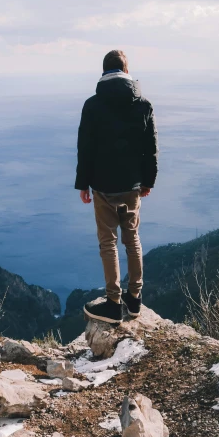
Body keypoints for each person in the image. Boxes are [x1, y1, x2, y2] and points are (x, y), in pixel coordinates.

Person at [75, 49, 158, 324]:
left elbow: (85, 147)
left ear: (103, 72)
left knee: (108, 243)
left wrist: (82, 184)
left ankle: (113, 303)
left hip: (103, 186)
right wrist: (148, 182)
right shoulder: (143, 104)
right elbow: (151, 149)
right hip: (132, 186)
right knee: (132, 239)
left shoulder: (93, 105)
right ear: (126, 70)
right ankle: (134, 300)